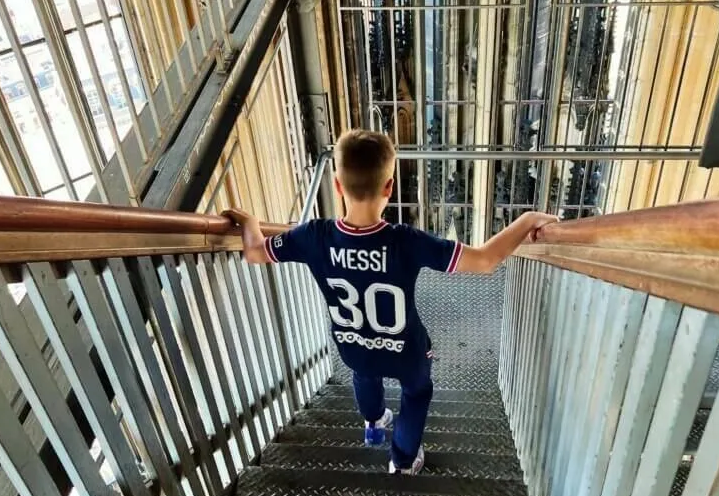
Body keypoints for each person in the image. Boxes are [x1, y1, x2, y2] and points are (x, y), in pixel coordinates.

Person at [225, 130, 558, 475]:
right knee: (417, 392)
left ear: (338, 186)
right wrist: (527, 220)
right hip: (406, 351)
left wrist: (251, 223)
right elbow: (486, 260)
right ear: (389, 187)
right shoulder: (406, 241)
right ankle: (401, 461)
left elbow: (254, 252)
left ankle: (373, 421)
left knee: (363, 373)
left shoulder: (313, 236)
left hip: (353, 344)